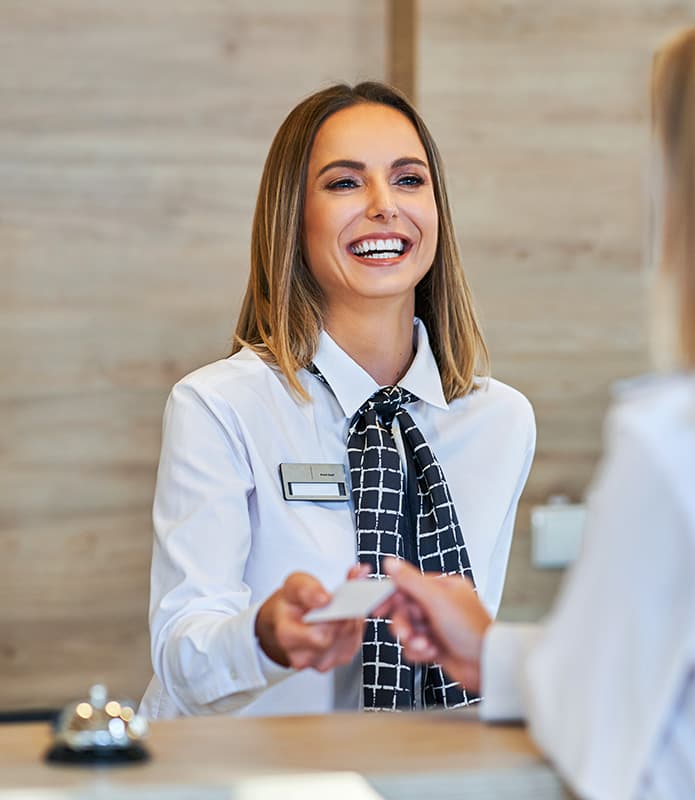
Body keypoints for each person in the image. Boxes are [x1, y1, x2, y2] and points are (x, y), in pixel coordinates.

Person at [380, 2, 695, 798]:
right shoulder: (219, 406)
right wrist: (497, 653)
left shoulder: (684, 446)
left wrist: (500, 654)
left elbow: (590, 732)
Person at [139, 82, 536, 719]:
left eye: (409, 180)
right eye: (345, 183)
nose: (384, 207)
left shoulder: (501, 421)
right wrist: (263, 638)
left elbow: (467, 644)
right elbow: (181, 658)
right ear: (293, 217)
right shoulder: (219, 406)